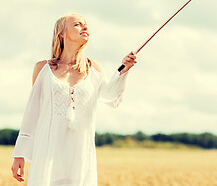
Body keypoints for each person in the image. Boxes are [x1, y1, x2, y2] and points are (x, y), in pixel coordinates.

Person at [10, 12, 137, 185]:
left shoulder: (93, 68)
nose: (85, 27)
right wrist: (20, 154)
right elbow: (32, 113)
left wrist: (124, 70)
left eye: (86, 24)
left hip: (80, 154)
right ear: (61, 33)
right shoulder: (42, 69)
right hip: (47, 153)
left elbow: (111, 97)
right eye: (77, 24)